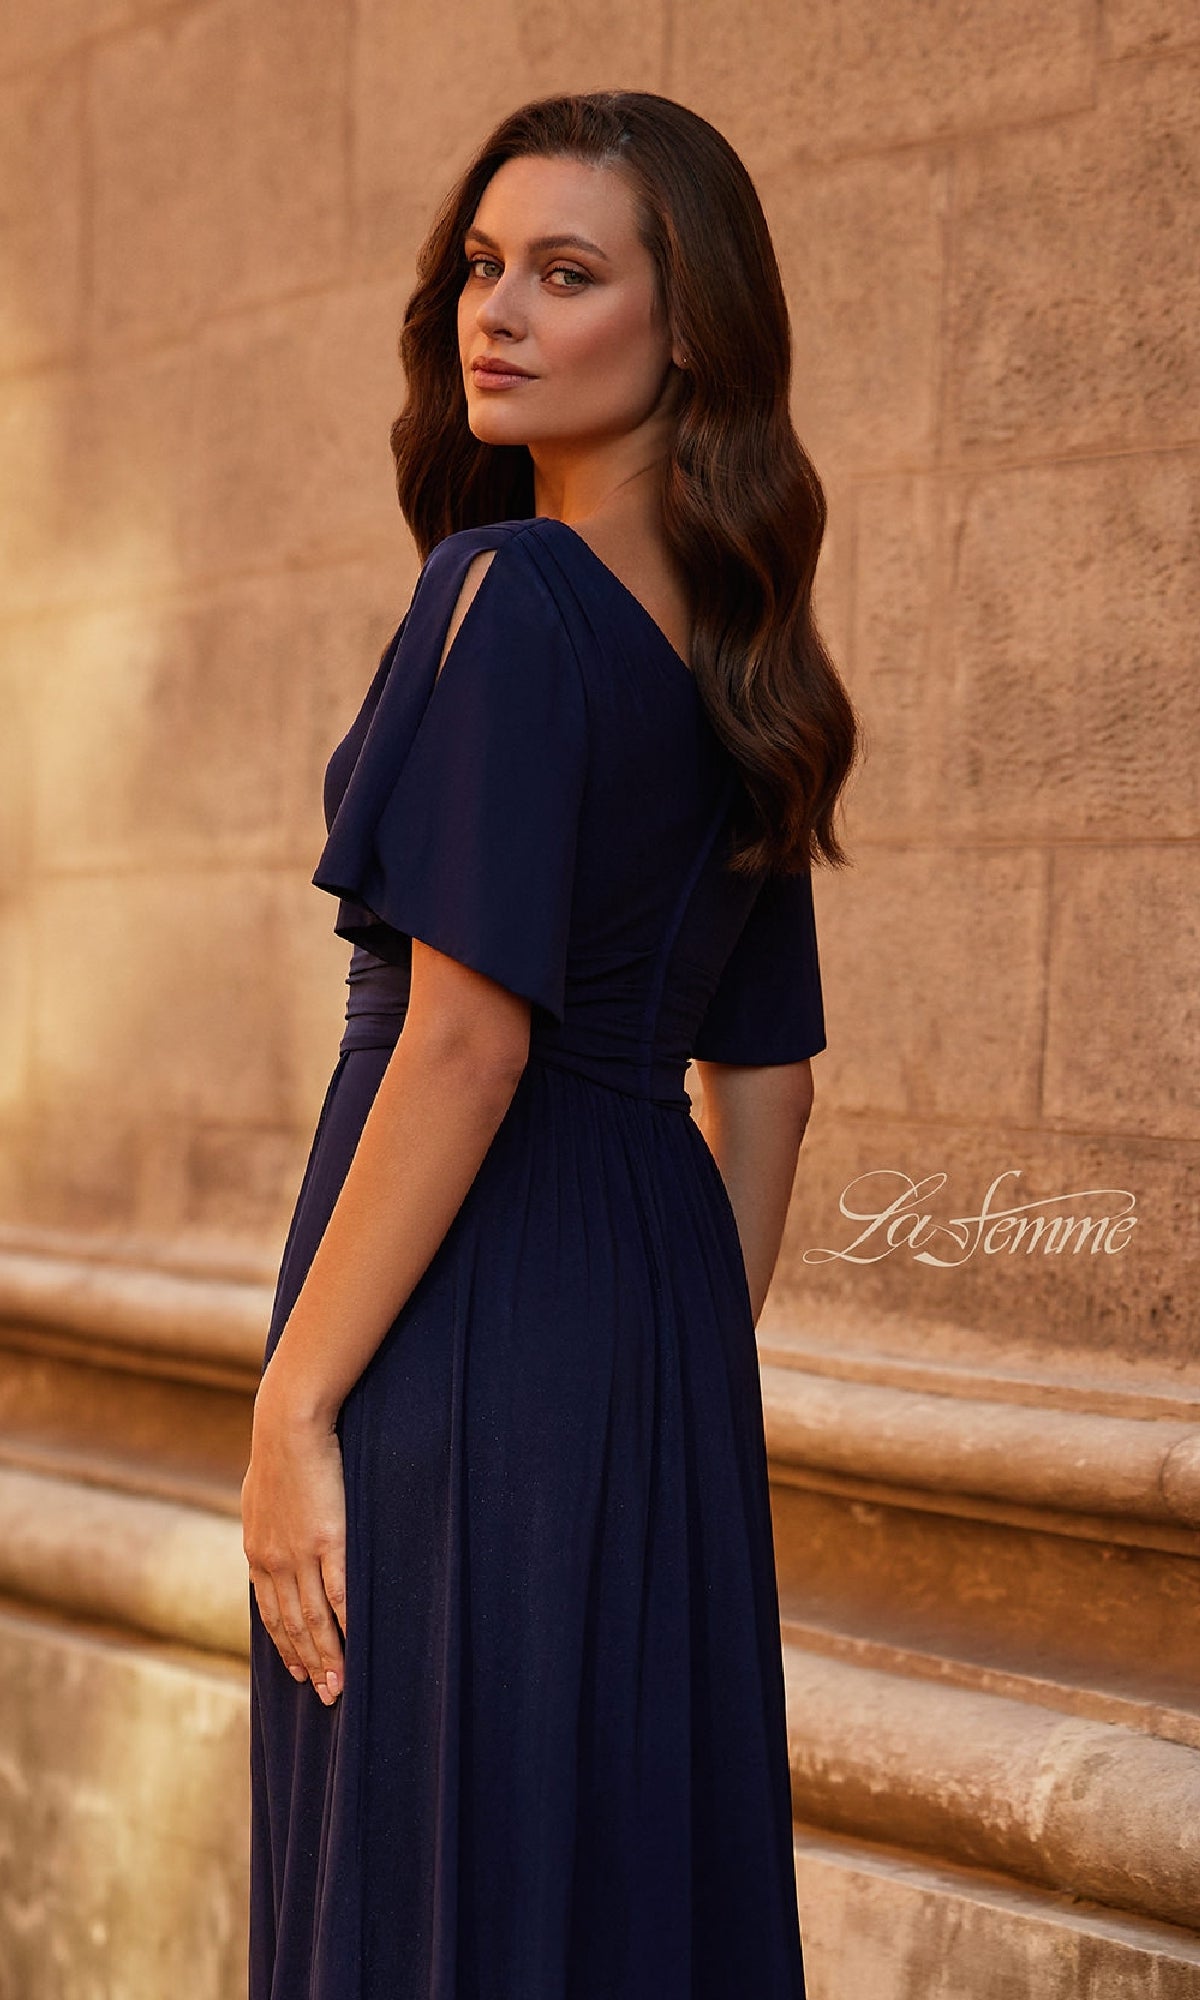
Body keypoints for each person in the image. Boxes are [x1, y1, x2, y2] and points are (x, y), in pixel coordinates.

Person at [241, 87, 859, 2000]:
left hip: (457, 1314)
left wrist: (292, 1410)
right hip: (656, 1335)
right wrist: (656, 1381)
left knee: (427, 1880)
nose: (495, 312)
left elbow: (461, 1052)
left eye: (565, 274)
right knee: (609, 1879)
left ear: (691, 330)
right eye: (481, 270)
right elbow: (767, 1092)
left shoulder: (500, 600)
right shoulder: (755, 661)